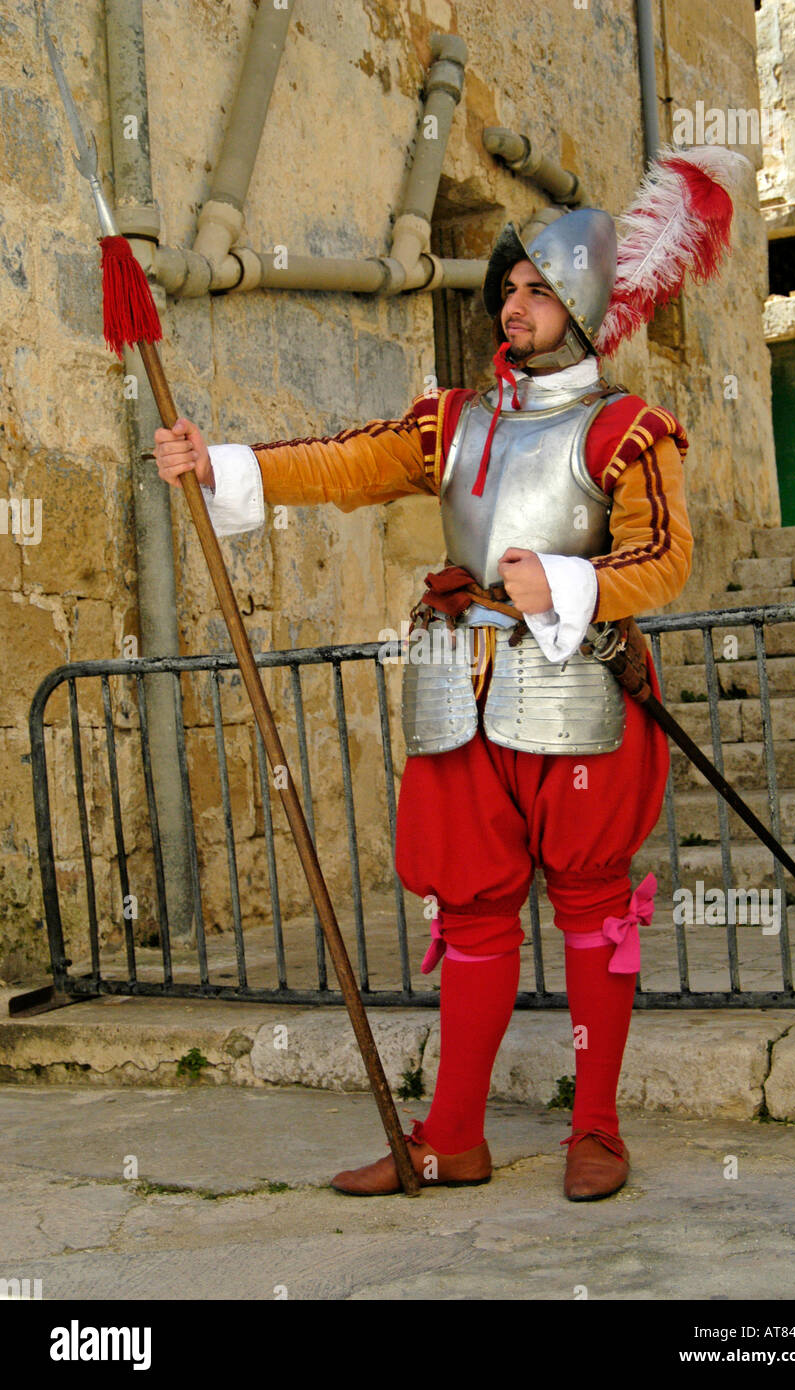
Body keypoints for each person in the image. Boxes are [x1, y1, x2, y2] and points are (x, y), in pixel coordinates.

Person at [155, 191, 706, 1202]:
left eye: (538, 290)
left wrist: (574, 582)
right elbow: (346, 461)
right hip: (462, 688)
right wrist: (220, 464)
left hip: (578, 688)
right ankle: (453, 1136)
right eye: (509, 287)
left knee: (591, 907)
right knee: (473, 911)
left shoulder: (628, 430)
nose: (513, 305)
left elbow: (667, 557)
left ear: (582, 303)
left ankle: (597, 1128)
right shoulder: (455, 419)